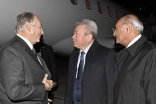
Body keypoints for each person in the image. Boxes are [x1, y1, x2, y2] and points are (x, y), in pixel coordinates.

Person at [0, 12, 53, 104]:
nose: (42, 31)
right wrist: (43, 87)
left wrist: (42, 99)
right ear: (28, 27)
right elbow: (15, 91)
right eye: (40, 27)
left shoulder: (27, 48)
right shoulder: (11, 50)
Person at [64, 19, 116, 104]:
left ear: (89, 37)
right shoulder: (74, 55)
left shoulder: (107, 55)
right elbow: (70, 86)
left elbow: (111, 88)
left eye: (76, 33)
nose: (73, 37)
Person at [113, 14, 156, 104]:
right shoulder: (124, 54)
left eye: (116, 28)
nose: (114, 33)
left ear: (128, 28)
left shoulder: (151, 53)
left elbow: (153, 97)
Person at [34, 36, 58, 101]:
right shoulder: (30, 49)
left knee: (47, 97)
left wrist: (55, 80)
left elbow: (53, 65)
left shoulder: (47, 48)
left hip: (46, 79)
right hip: (35, 80)